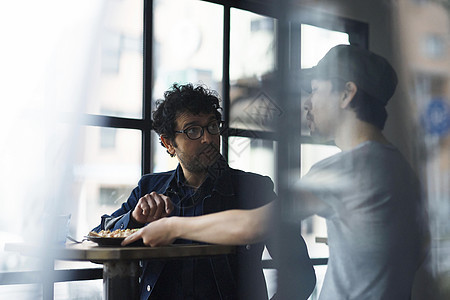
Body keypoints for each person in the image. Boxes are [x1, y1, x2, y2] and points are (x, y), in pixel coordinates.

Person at [124, 45, 428, 299]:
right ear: (168, 143)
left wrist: (172, 227)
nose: (308, 102)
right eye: (192, 131)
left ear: (346, 94)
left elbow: (252, 225)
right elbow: (419, 252)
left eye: (316, 90)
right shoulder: (400, 167)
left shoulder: (346, 168)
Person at [94, 83, 316, 300]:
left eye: (212, 126)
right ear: (169, 143)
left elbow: (300, 274)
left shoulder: (254, 189)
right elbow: (98, 235)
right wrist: (133, 219)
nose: (208, 138)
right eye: (193, 130)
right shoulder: (150, 188)